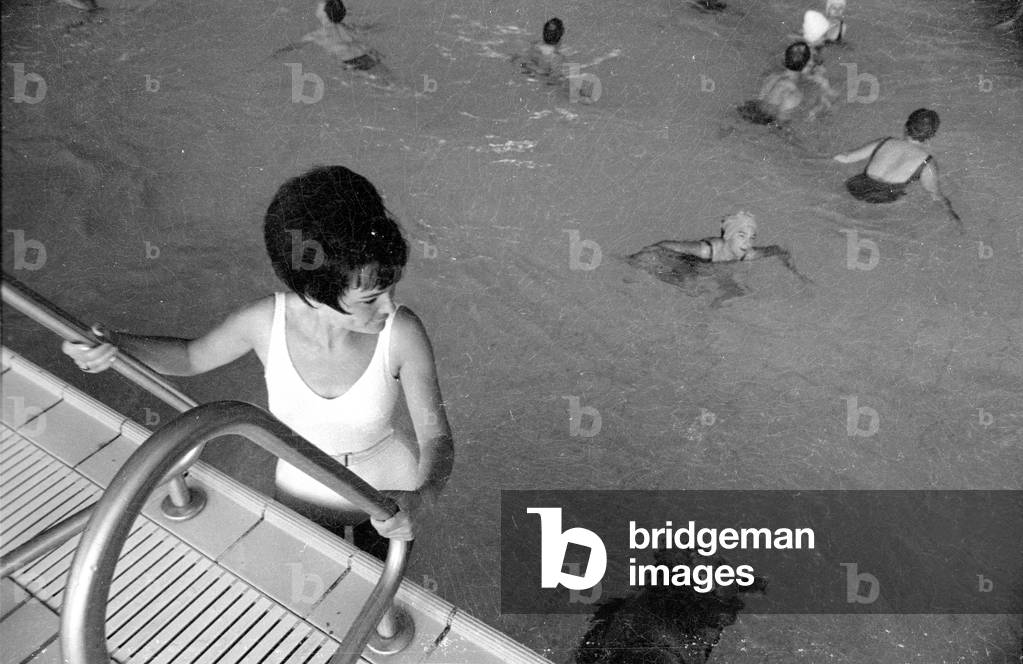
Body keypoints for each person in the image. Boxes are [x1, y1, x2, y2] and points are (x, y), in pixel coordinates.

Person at [63, 165, 455, 560]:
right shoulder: (265, 323)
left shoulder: (402, 332)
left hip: (386, 499)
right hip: (301, 495)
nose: (389, 307)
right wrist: (114, 344)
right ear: (313, 294)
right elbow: (190, 357)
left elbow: (435, 436)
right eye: (370, 300)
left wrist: (422, 498)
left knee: (385, 601)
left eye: (390, 289)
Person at [833, 108, 962, 226]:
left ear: (906, 127)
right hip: (884, 204)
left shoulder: (885, 142)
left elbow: (846, 158)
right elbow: (935, 195)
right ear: (931, 137)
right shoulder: (926, 163)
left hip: (855, 189)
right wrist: (953, 216)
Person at [275, 0, 381, 71]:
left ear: (324, 14)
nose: (316, 8)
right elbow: (368, 29)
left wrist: (274, 55)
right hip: (369, 55)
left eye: (319, 6)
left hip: (351, 62)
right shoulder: (347, 26)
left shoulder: (316, 34)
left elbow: (290, 48)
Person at [737, 42, 823, 125]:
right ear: (806, 66)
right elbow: (781, 122)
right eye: (812, 61)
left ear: (785, 58)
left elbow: (761, 100)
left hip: (749, 110)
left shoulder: (772, 76)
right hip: (765, 123)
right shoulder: (793, 92)